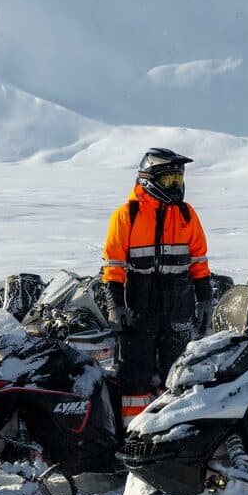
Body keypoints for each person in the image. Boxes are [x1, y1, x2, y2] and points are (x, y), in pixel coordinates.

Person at [101, 148, 212, 427]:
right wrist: (115, 305)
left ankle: (171, 432)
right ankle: (133, 435)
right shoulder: (127, 215)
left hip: (179, 307)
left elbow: (199, 263)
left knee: (177, 374)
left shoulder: (187, 214)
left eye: (178, 179)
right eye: (169, 180)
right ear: (149, 180)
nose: (176, 186)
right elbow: (113, 266)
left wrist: (206, 300)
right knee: (135, 376)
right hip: (138, 309)